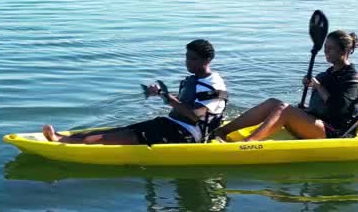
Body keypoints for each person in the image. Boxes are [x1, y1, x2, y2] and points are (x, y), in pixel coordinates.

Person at [41, 40, 227, 145]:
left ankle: (62, 141)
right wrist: (163, 94)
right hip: (171, 124)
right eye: (187, 57)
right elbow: (186, 103)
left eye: (192, 59)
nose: (188, 62)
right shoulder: (194, 78)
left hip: (187, 134)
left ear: (207, 60)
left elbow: (194, 116)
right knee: (121, 130)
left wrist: (168, 98)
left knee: (115, 138)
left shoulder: (213, 85)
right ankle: (64, 137)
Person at [215, 30, 358, 142]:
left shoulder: (353, 79)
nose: (326, 52)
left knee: (284, 110)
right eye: (325, 47)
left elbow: (338, 109)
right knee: (273, 103)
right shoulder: (327, 74)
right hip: (318, 123)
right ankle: (222, 131)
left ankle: (247, 144)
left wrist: (318, 87)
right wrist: (305, 108)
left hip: (336, 132)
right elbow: (320, 107)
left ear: (345, 51)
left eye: (331, 48)